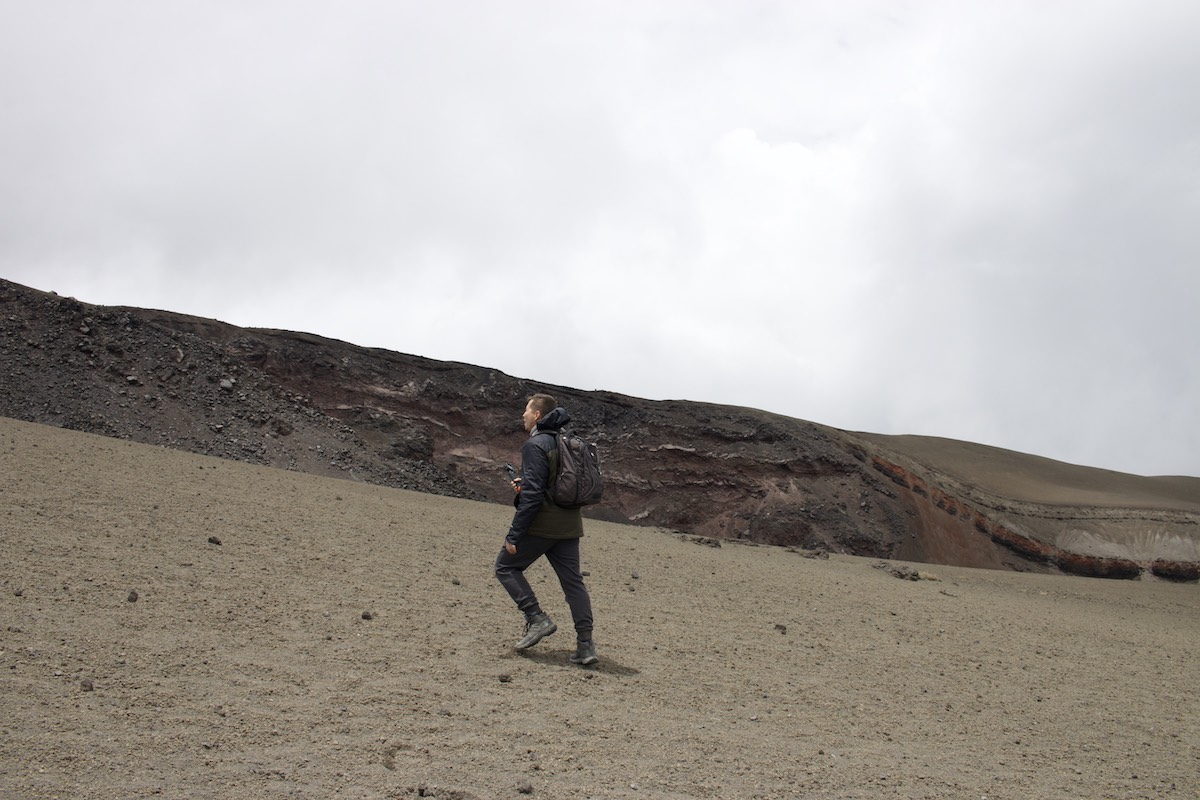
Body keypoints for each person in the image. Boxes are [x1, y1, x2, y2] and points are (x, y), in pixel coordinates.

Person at [494, 393, 598, 666]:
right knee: (573, 584)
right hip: (570, 527)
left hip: (542, 526)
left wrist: (514, 535)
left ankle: (536, 618)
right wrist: (525, 485)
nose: (523, 415)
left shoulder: (535, 444)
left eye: (527, 410)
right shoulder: (567, 443)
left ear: (537, 415)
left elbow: (533, 497)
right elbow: (551, 485)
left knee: (505, 567)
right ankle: (586, 646)